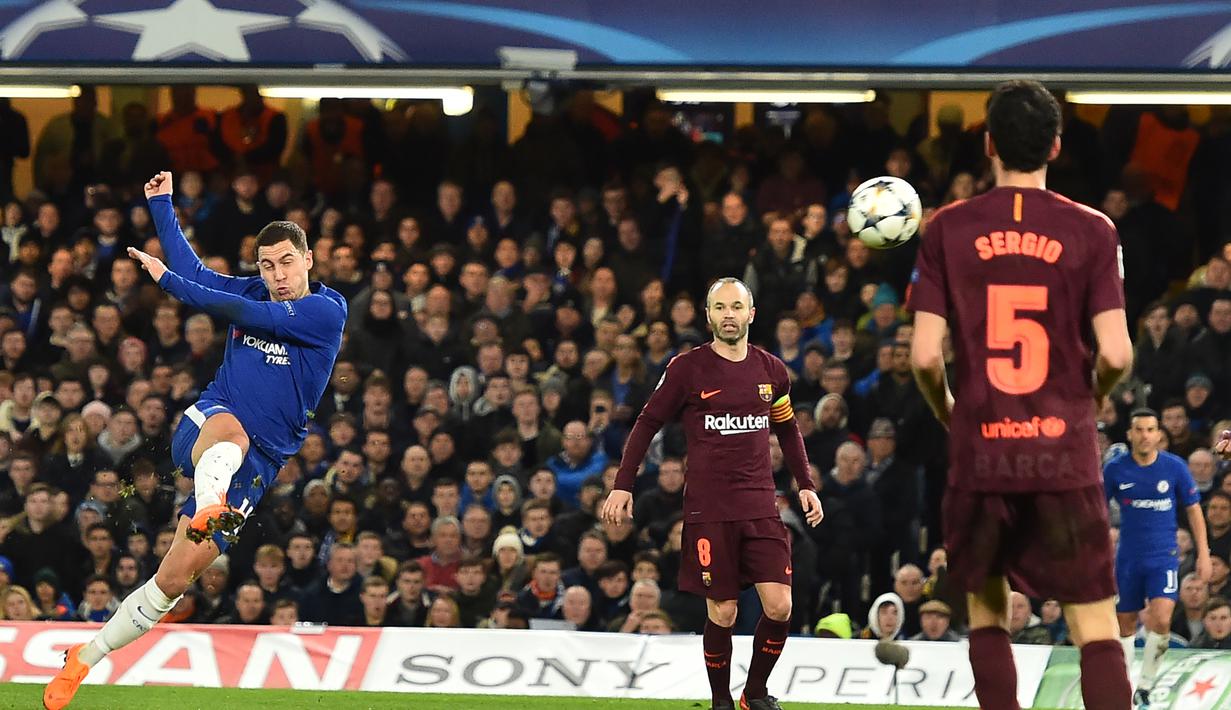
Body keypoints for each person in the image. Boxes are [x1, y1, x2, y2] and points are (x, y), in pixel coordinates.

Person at [45, 171, 347, 710]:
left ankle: (84, 659)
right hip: (210, 420)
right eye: (266, 265)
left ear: (307, 261)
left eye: (285, 262)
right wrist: (162, 205)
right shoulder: (254, 287)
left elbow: (240, 310)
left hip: (261, 461)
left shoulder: (326, 312)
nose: (275, 275)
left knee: (174, 577)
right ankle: (211, 503)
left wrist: (172, 285)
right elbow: (195, 271)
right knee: (229, 433)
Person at [908, 80, 1134, 710]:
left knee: (986, 613)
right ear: (1056, 145)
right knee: (1095, 625)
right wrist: (1086, 396)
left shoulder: (947, 229)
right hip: (1062, 451)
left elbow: (925, 357)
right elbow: (1117, 353)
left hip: (983, 449)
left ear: (988, 145)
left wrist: (952, 414)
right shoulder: (1093, 230)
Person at [601, 277, 823, 710]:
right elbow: (647, 422)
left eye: (736, 307)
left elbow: (788, 429)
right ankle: (721, 701)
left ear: (751, 314)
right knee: (723, 613)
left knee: (779, 607)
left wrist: (806, 485)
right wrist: (623, 483)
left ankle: (753, 693)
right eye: (719, 308)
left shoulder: (772, 371)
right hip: (709, 510)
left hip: (761, 506)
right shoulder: (687, 369)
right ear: (708, 316)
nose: (728, 315)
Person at [1104, 408, 1210, 701]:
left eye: (1151, 430)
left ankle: (1146, 685)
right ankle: (1123, 685)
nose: (1145, 436)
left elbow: (1193, 510)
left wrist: (1203, 553)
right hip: (1127, 556)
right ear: (1130, 434)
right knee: (1124, 623)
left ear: (1159, 434)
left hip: (1163, 555)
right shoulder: (1115, 469)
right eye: (1139, 430)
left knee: (1161, 618)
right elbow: (1097, 512)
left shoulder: (1174, 467)